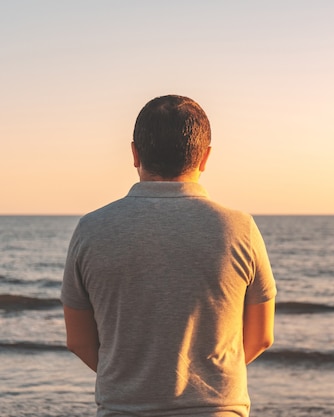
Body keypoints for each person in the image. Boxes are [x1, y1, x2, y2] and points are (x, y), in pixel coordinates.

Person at [61, 95, 276, 417]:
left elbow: (79, 341)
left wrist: (133, 383)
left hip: (124, 408)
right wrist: (205, 382)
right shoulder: (239, 228)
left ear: (135, 153)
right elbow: (261, 338)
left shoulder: (91, 229)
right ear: (205, 157)